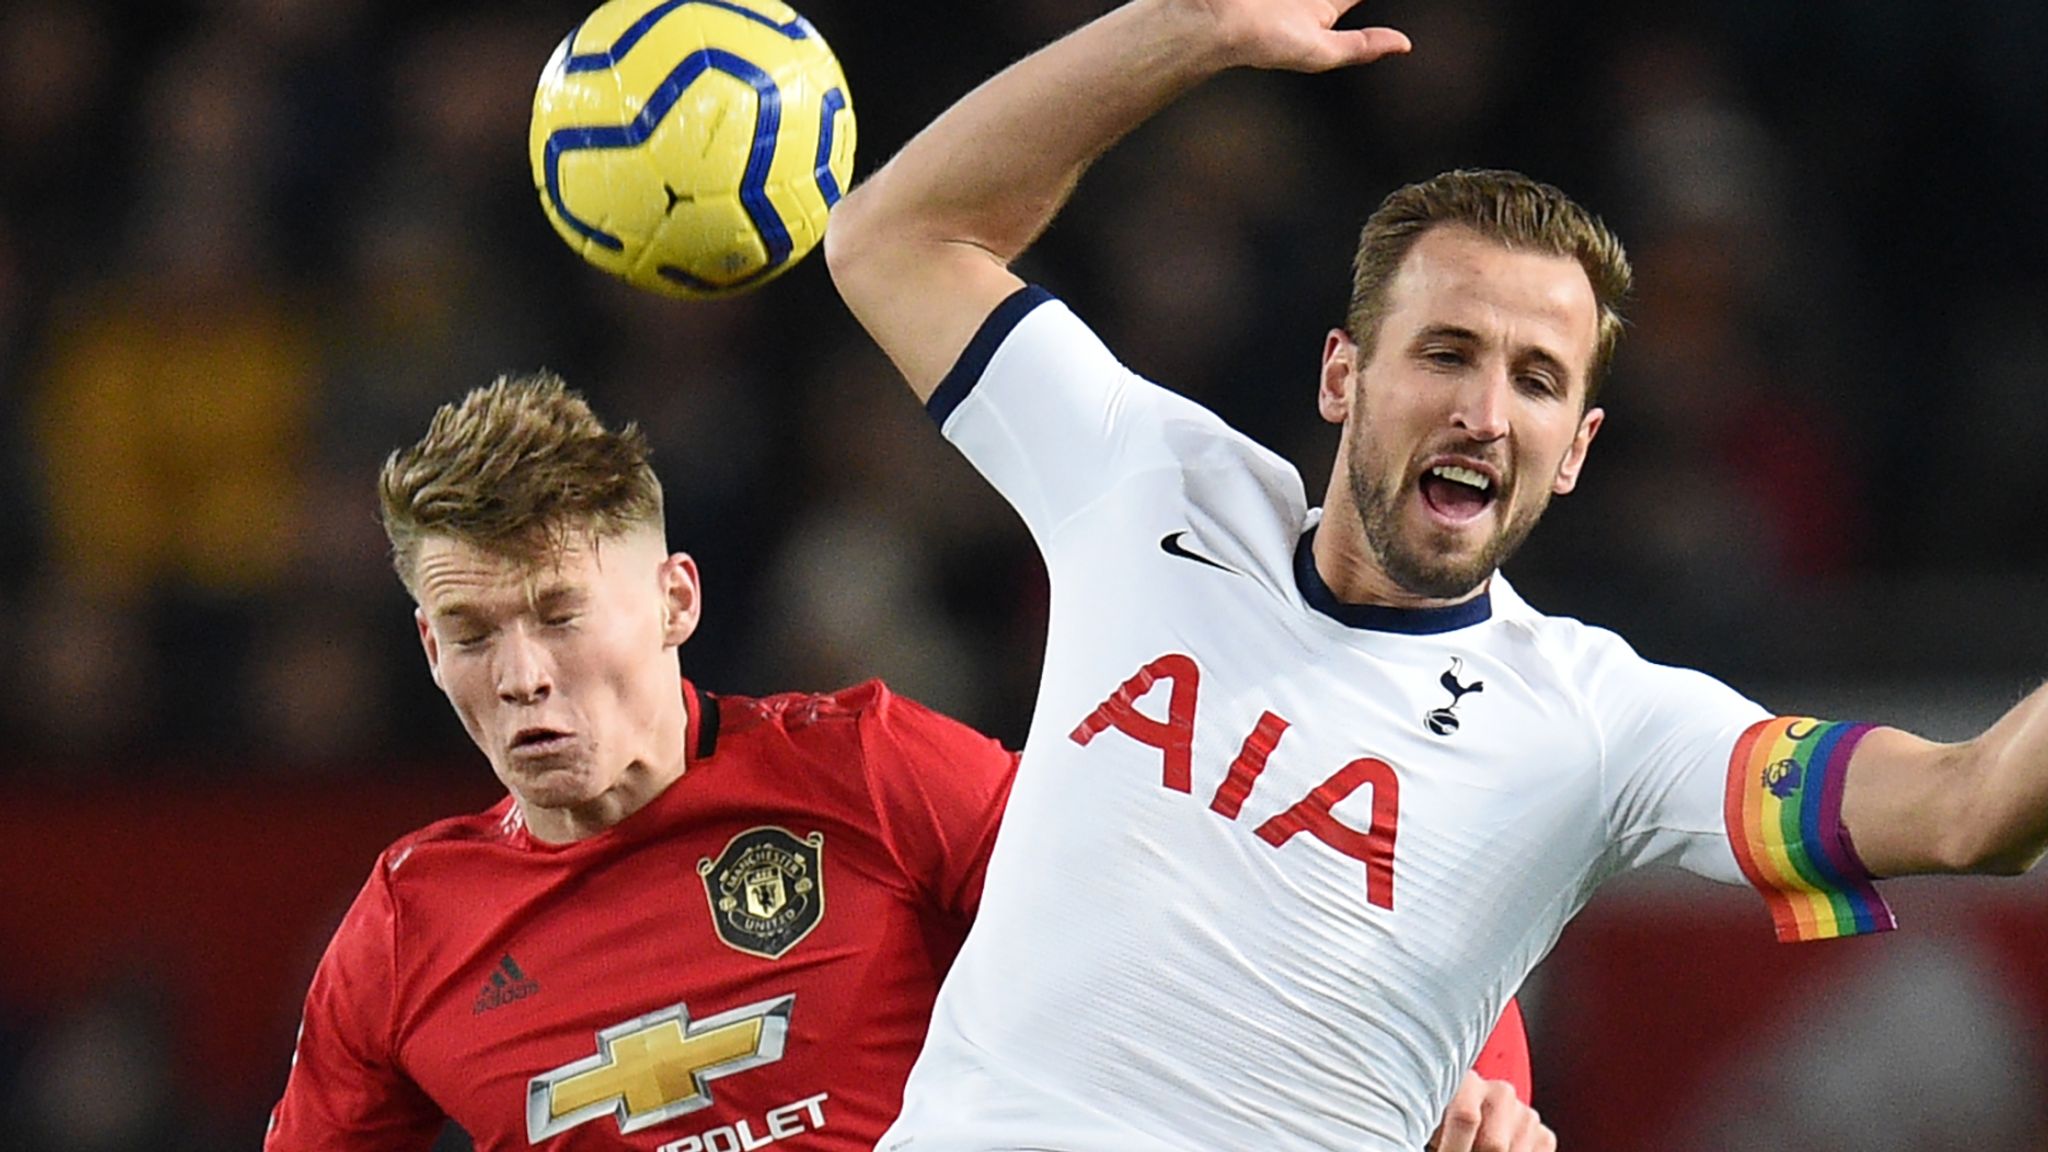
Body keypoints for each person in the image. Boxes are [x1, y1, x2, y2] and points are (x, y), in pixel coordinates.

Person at [821, 0, 2048, 1147]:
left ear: (1574, 452)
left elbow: (1965, 807)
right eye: (1445, 352)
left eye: (1534, 380)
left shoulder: (1595, 725)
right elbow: (896, 237)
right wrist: (1181, 28)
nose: (1481, 411)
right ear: (1341, 377)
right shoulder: (1156, 485)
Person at [262, 374, 1552, 1152]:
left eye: (557, 613)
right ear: (426, 643)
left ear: (673, 600)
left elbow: (1260, 894)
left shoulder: (867, 776)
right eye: (473, 634)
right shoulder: (405, 937)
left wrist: (1479, 1080)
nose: (521, 675)